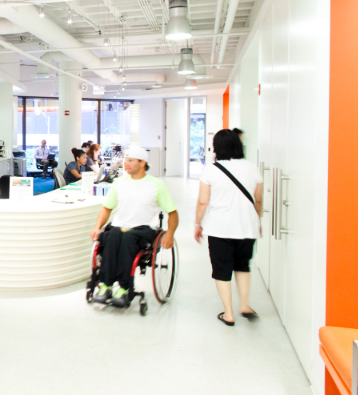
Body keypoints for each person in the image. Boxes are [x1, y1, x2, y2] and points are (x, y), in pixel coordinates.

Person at [89, 146, 179, 307]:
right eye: (125, 160)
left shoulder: (156, 185)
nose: (126, 164)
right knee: (111, 237)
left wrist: (170, 234)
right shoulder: (119, 183)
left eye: (131, 161)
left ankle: (123, 288)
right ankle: (105, 285)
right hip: (119, 226)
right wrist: (97, 227)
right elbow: (106, 208)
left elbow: (173, 213)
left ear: (142, 163)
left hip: (143, 229)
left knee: (128, 238)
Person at [194, 129, 263, 326]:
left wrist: (198, 224)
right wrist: (256, 221)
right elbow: (258, 200)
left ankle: (229, 313)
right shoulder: (251, 167)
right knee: (243, 265)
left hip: (219, 228)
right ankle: (245, 305)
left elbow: (202, 202)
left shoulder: (211, 170)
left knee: (222, 269)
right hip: (247, 227)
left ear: (216, 147)